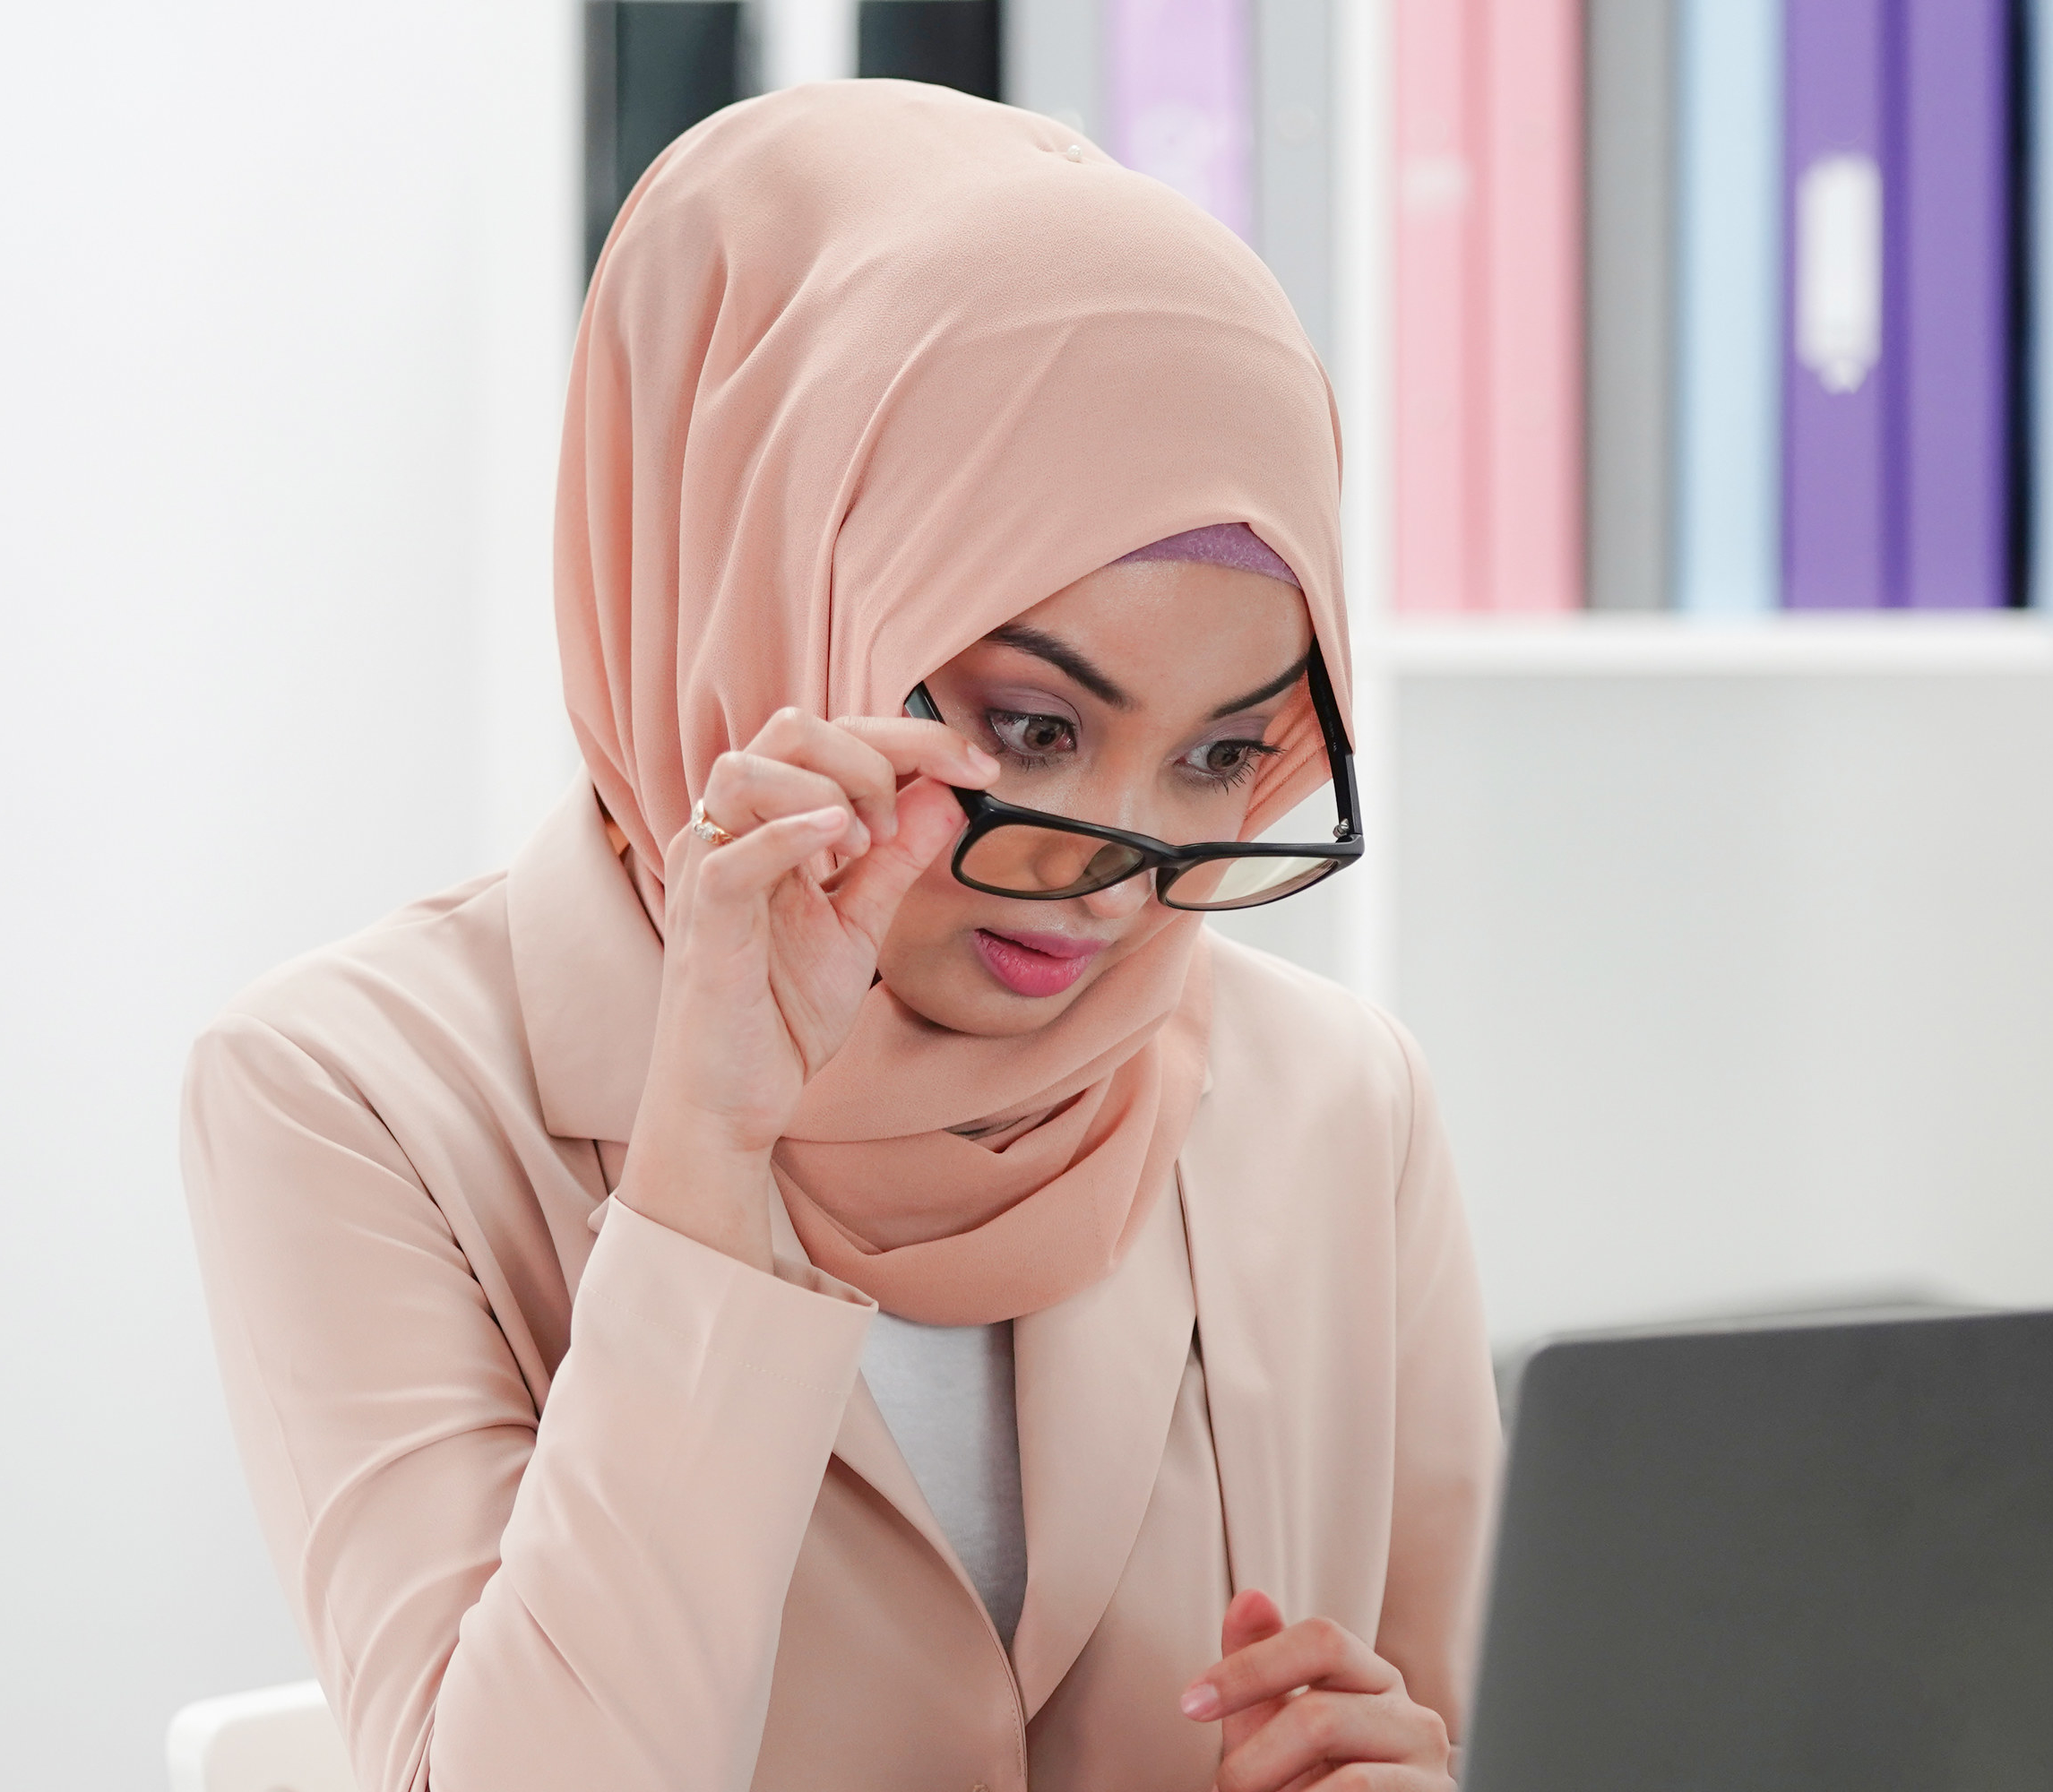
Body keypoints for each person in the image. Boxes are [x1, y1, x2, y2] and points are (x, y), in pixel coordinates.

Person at [180, 82, 1499, 1792]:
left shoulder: (1337, 1103)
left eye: (1225, 757)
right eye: (1033, 728)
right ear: (765, 586)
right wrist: (708, 1154)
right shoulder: (348, 1100)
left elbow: (1482, 1723)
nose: (1120, 879)